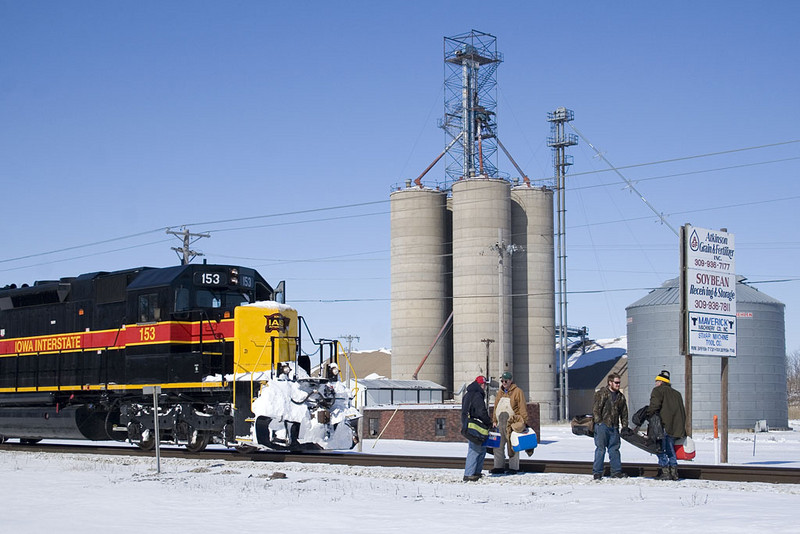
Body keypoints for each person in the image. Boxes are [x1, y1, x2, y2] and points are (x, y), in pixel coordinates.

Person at [647, 370, 687, 481]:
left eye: (656, 381)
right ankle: (674, 472)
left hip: (663, 425)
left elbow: (654, 406)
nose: (655, 383)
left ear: (660, 382)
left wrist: (647, 414)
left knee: (660, 449)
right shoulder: (677, 393)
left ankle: (665, 471)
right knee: (670, 450)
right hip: (675, 427)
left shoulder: (657, 391)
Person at [591, 372, 629, 480]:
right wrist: (599, 422)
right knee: (600, 449)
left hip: (614, 427)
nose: (618, 385)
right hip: (602, 426)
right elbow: (596, 409)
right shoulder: (602, 393)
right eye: (616, 383)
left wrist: (624, 426)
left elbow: (624, 413)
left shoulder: (620, 397)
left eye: (619, 383)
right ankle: (597, 472)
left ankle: (616, 472)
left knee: (614, 449)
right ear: (610, 382)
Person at [491, 371, 528, 474]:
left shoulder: (517, 392)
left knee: (512, 446)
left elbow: (522, 407)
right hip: (500, 423)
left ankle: (513, 467)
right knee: (498, 446)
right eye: (502, 381)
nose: (504, 383)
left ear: (511, 381)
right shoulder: (500, 393)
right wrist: (494, 420)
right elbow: (495, 408)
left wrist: (523, 422)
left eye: (506, 381)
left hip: (512, 423)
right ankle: (498, 467)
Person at [461, 375, 492, 482]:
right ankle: (469, 473)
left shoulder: (468, 394)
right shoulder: (477, 395)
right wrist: (488, 422)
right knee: (475, 449)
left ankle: (476, 472)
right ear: (481, 384)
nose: (485, 387)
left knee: (481, 448)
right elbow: (481, 411)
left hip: (468, 425)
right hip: (475, 426)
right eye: (484, 384)